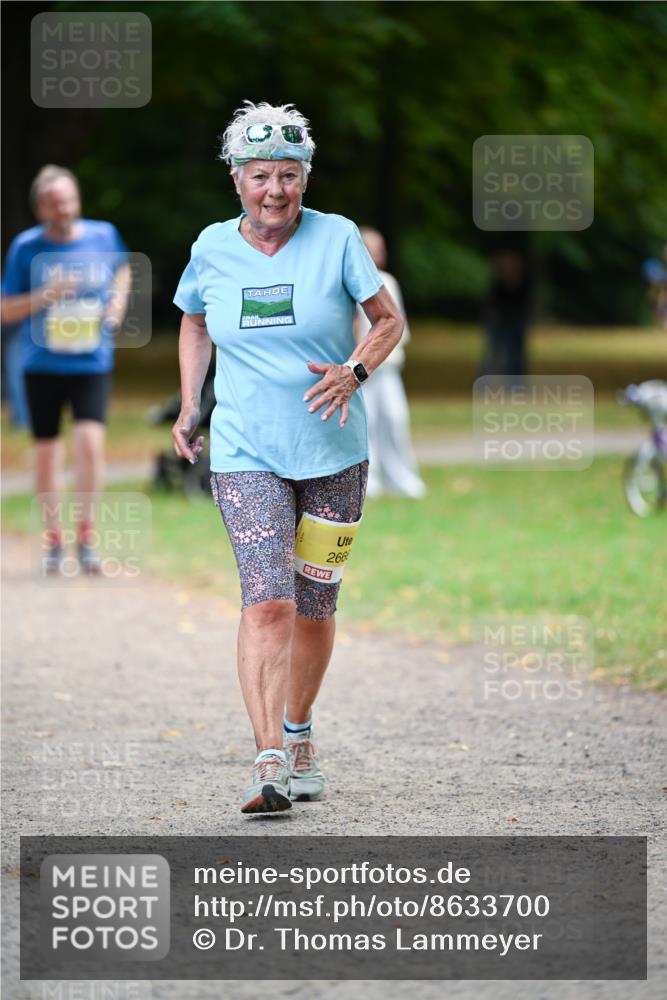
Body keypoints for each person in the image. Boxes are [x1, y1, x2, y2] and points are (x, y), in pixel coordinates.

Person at [171, 101, 403, 814]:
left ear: (304, 178)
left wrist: (353, 372)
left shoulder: (335, 238)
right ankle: (268, 757)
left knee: (313, 603)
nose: (275, 190)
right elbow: (193, 318)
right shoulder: (211, 246)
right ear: (236, 179)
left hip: (333, 451)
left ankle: (299, 730)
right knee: (267, 599)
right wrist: (189, 403)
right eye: (261, 175)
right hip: (245, 451)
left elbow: (386, 319)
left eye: (289, 176)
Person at [0, 165, 131, 573]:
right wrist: (46, 296)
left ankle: (87, 538)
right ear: (40, 207)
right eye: (56, 204)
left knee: (91, 444)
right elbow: (6, 311)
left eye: (70, 199)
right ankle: (54, 541)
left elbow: (123, 270)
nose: (65, 209)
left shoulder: (103, 234)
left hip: (91, 360)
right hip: (42, 364)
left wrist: (116, 305)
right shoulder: (26, 247)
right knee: (46, 454)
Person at [355, 227, 426, 498]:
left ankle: (403, 478)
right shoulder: (350, 282)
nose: (379, 254)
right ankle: (369, 481)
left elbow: (397, 327)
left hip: (388, 367)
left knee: (395, 419)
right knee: (367, 424)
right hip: (361, 367)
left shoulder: (388, 282)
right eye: (373, 248)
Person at [478, 247, 532, 388]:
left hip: (516, 323)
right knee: (492, 355)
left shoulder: (523, 282)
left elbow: (524, 304)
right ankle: (483, 384)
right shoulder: (497, 282)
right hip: (498, 323)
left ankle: (515, 385)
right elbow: (490, 304)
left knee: (516, 355)